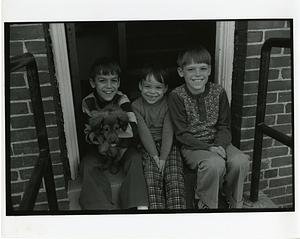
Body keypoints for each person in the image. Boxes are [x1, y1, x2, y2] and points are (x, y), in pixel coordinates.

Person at [168, 46, 250, 209]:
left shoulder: (218, 92)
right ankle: (207, 204)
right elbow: (182, 134)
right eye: (191, 69)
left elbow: (224, 125)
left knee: (240, 160)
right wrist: (209, 148)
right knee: (214, 164)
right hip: (193, 146)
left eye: (203, 68)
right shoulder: (176, 96)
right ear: (181, 72)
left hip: (219, 142)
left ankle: (234, 201)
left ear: (210, 70)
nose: (197, 74)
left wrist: (219, 145)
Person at [79, 57, 148, 210]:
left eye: (113, 80)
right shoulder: (88, 102)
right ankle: (99, 207)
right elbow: (88, 133)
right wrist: (101, 138)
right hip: (99, 150)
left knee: (136, 159)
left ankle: (136, 206)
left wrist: (106, 134)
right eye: (102, 80)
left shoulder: (123, 100)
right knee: (87, 165)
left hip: (123, 148)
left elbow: (132, 130)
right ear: (92, 83)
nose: (109, 86)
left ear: (119, 83)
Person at [131, 65, 186, 209]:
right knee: (151, 178)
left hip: (168, 145)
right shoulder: (136, 106)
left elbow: (168, 130)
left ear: (165, 89)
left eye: (158, 87)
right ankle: (156, 217)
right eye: (148, 86)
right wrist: (155, 157)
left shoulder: (169, 103)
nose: (152, 92)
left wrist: (163, 158)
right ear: (140, 86)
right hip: (146, 146)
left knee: (174, 178)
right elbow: (144, 132)